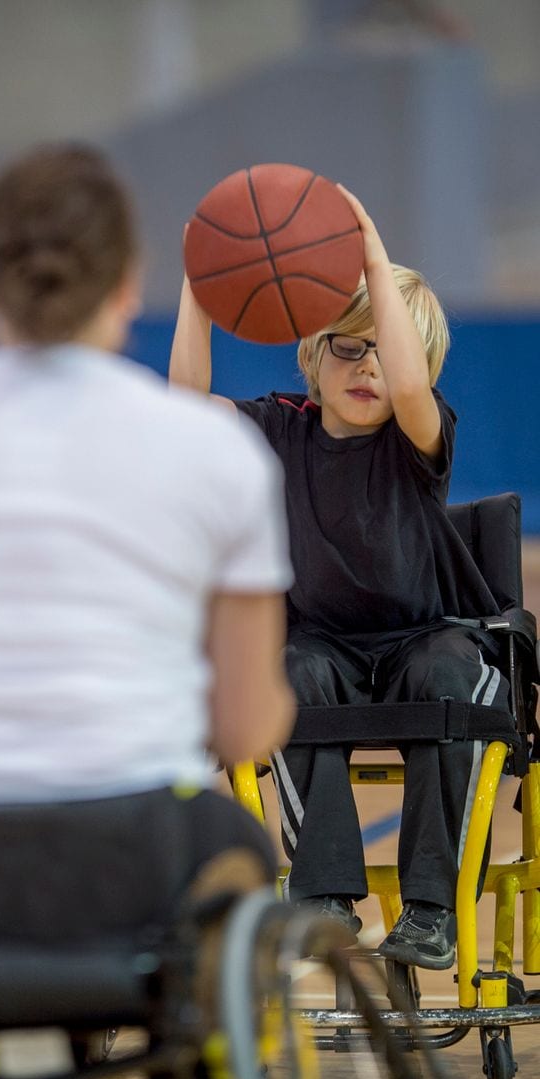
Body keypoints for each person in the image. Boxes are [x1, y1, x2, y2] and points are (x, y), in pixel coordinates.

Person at [0, 144, 295, 931]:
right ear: (129, 285)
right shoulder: (216, 453)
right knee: (240, 852)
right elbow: (242, 728)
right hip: (132, 853)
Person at [169, 186, 507, 970]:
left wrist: (376, 263)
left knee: (456, 675)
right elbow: (182, 408)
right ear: (312, 357)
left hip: (426, 640)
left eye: (384, 353)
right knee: (284, 673)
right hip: (322, 648)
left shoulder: (417, 436)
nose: (368, 369)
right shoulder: (278, 427)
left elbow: (412, 385)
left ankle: (431, 909)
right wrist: (202, 285)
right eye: (346, 348)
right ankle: (321, 897)